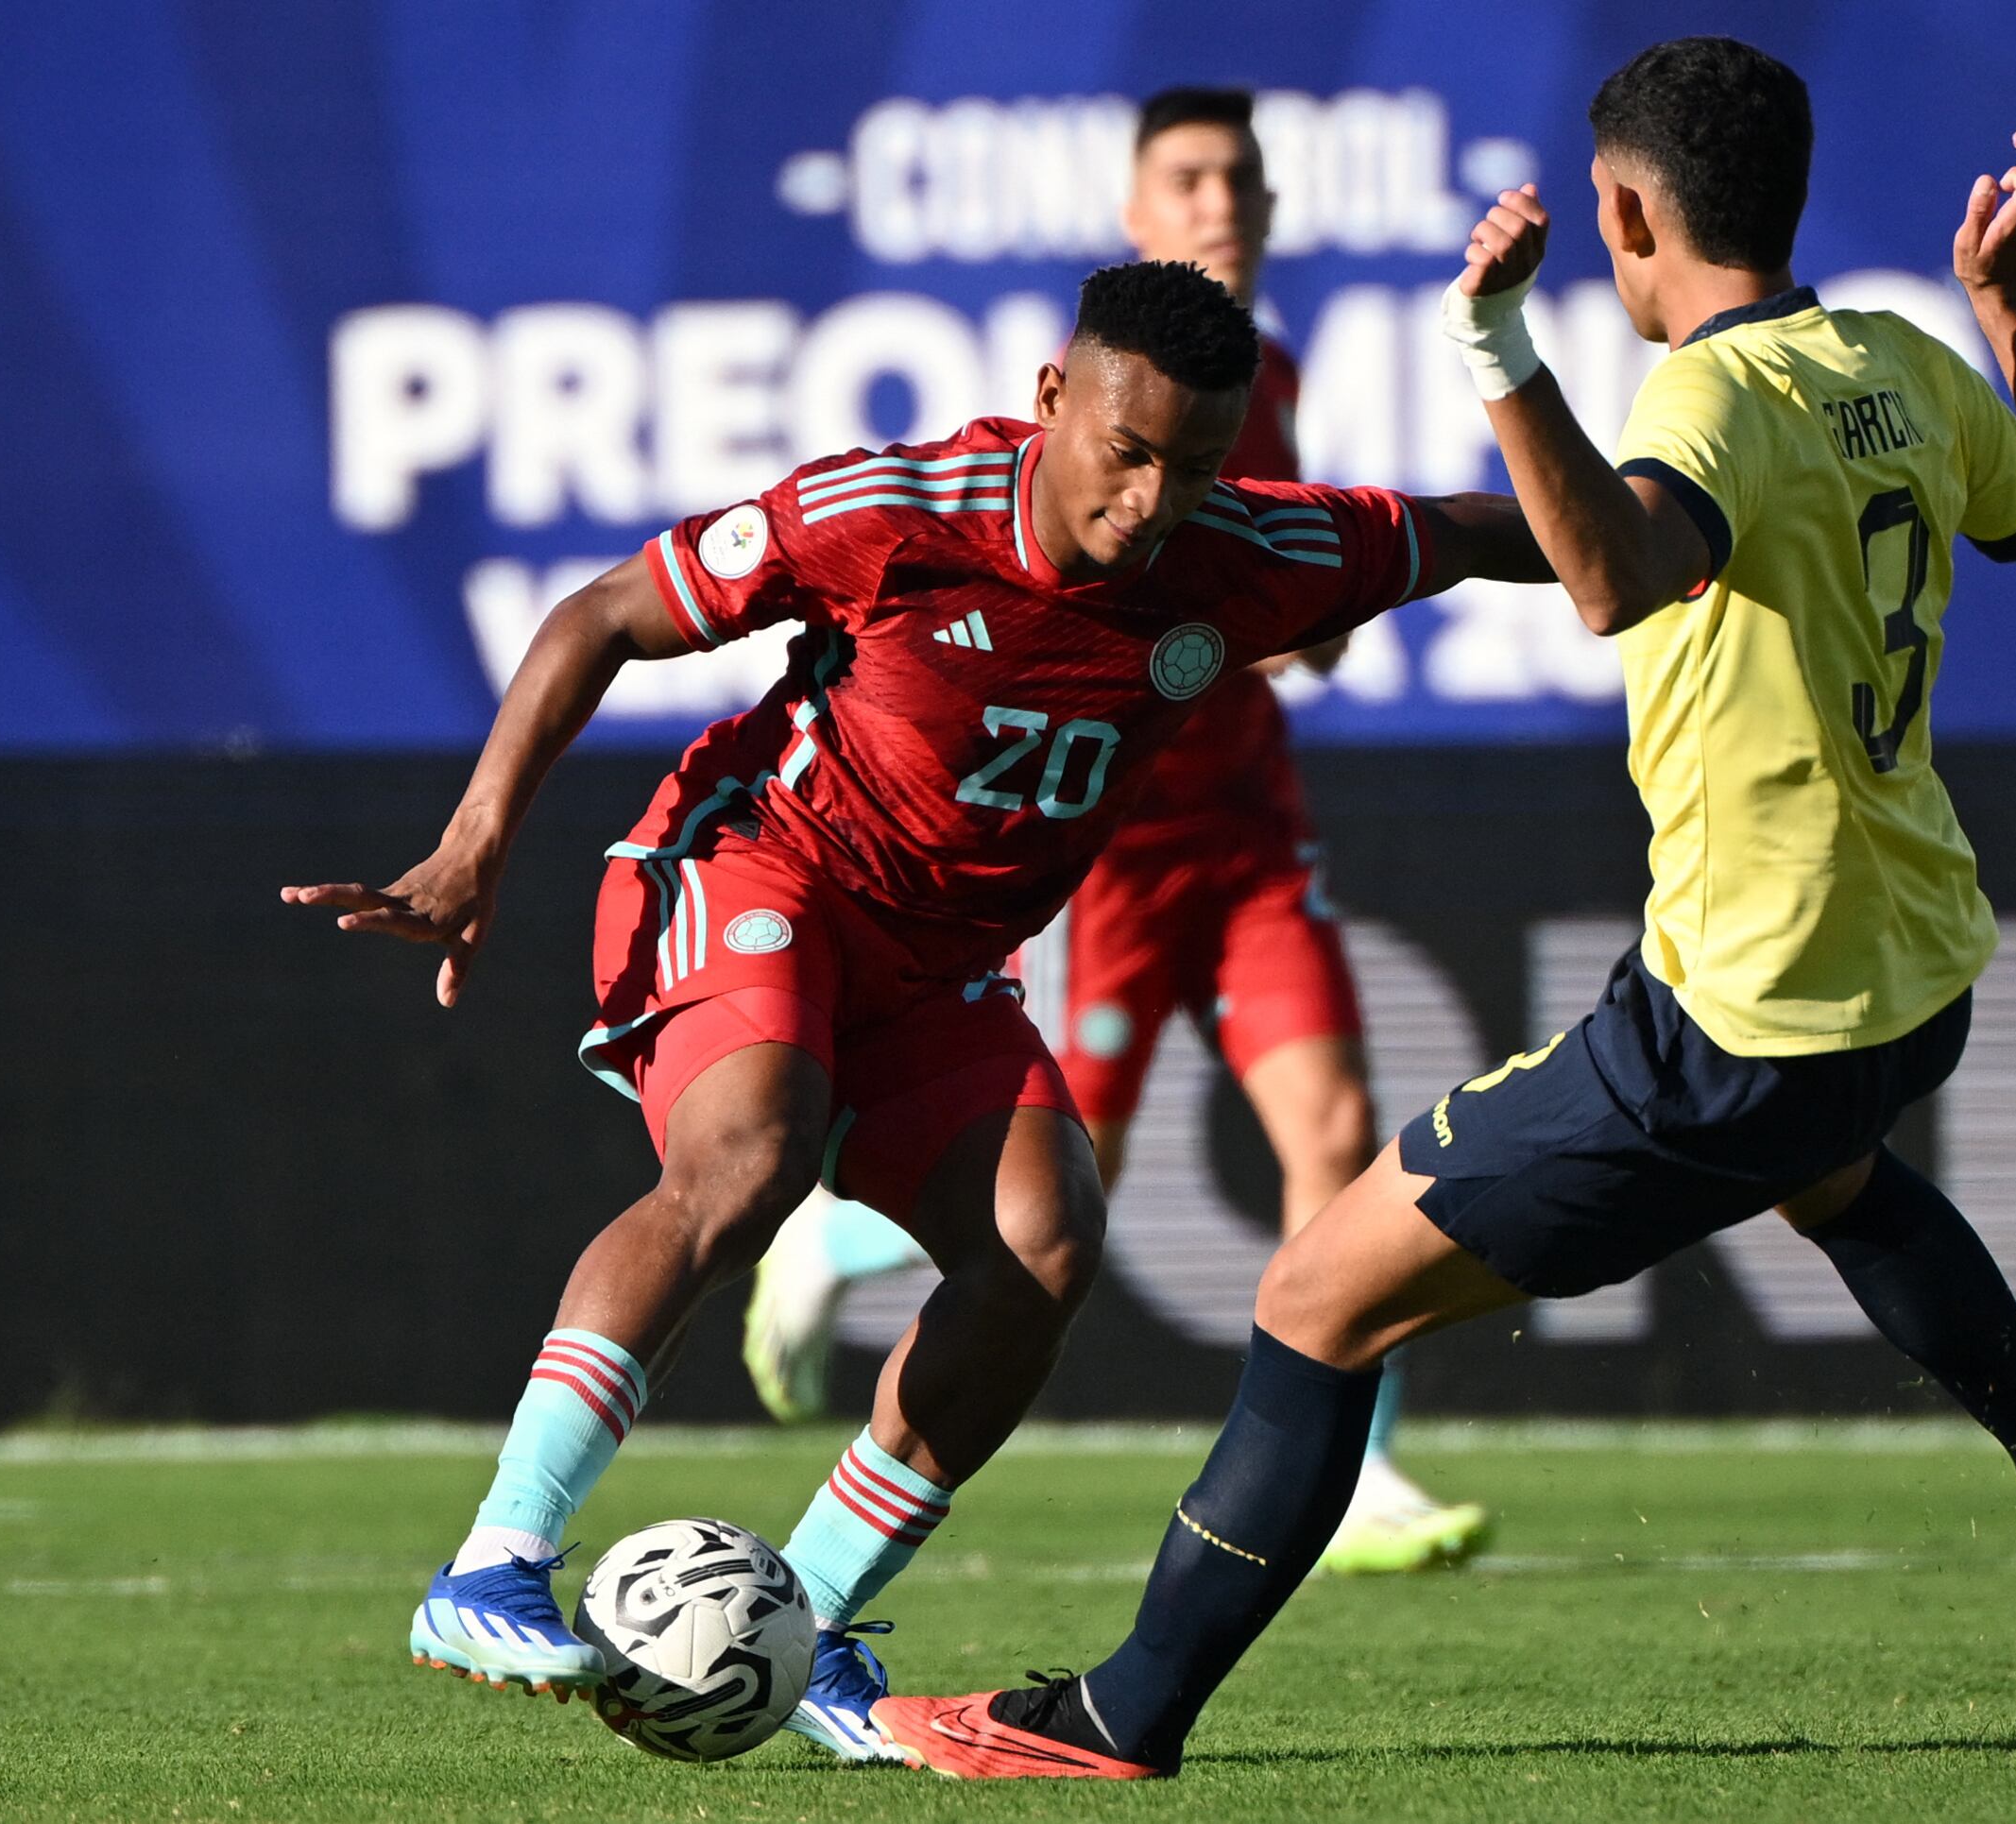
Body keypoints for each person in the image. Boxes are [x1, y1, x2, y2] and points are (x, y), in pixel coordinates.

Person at [869, 36, 2016, 1781]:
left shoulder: (1707, 401)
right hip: (1907, 972)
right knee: (1840, 1176)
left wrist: (1498, 352)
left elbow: (1617, 580)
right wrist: (2011, 313)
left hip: (1734, 1014)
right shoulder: (1905, 361)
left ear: (1628, 214)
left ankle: (1120, 1717)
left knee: (1314, 1300)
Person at [282, 259, 1554, 1761]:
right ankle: (492, 1564)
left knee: (1043, 1248)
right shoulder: (894, 512)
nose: (1152, 502)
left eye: (1195, 468)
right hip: (764, 865)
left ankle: (807, 1625)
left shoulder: (1245, 547)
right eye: (1127, 454)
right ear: (1051, 402)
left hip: (941, 964)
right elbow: (602, 613)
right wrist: (479, 838)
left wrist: (1701, 531)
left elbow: (1475, 533)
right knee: (748, 1157)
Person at [741, 84, 1488, 1577]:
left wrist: (1303, 623)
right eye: (1190, 179)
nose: (1219, 202)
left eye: (1241, 181)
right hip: (1109, 833)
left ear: (1271, 211)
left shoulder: (1258, 372)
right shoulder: (1094, 401)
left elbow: (1272, 571)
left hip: (1248, 822)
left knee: (1338, 1135)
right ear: (1139, 212)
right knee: (1086, 1169)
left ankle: (1368, 1472)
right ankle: (826, 1238)